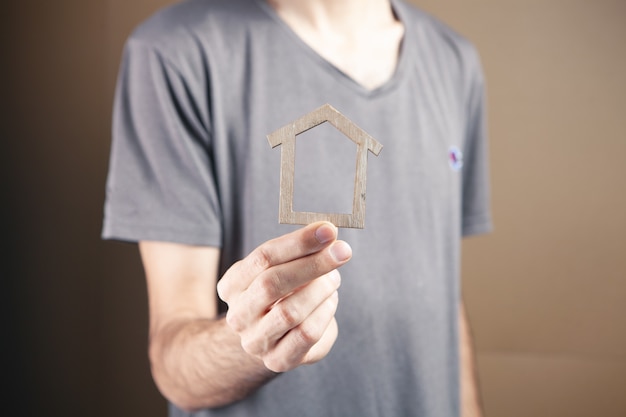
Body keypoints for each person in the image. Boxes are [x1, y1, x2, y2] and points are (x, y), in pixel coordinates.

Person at [102, 0, 492, 416]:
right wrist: (257, 338)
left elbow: (445, 304)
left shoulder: (454, 62)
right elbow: (173, 364)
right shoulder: (174, 51)